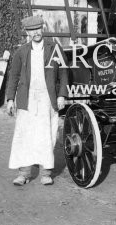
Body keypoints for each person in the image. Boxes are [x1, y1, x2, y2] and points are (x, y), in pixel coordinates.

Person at [5, 15, 68, 186]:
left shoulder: (54, 48)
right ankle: (24, 173)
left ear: (43, 29)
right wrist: (10, 99)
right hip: (27, 98)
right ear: (27, 32)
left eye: (39, 29)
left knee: (46, 134)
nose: (36, 33)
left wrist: (62, 95)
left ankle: (46, 173)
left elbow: (63, 73)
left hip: (48, 98)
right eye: (32, 30)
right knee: (25, 135)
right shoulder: (21, 52)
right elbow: (14, 76)